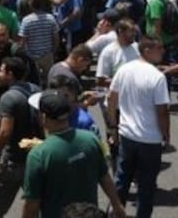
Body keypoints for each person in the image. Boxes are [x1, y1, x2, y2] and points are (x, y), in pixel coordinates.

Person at [20, 89, 127, 218]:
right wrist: (117, 205)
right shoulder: (91, 139)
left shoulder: (38, 155)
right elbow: (105, 177)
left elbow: (31, 205)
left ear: (43, 117)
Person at [106, 35, 171, 218]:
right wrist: (166, 134)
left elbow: (111, 98)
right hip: (150, 139)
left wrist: (113, 125)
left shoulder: (124, 70)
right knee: (146, 186)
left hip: (127, 135)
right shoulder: (157, 77)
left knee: (122, 180)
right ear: (147, 51)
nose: (163, 51)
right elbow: (162, 111)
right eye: (159, 48)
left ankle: (114, 215)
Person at [0, 56, 42, 218]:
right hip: (36, 156)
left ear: (10, 74)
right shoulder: (36, 89)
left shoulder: (9, 98)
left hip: (14, 159)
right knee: (36, 202)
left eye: (1, 70)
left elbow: (5, 132)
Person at [19, 0, 61, 86]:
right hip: (47, 54)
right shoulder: (51, 18)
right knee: (49, 80)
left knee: (34, 80)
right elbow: (56, 38)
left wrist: (25, 54)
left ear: (31, 5)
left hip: (32, 55)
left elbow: (23, 41)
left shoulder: (26, 20)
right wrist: (53, 51)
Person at [96, 19, 140, 87]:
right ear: (120, 31)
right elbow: (100, 80)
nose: (134, 34)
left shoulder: (139, 48)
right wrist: (122, 82)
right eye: (131, 31)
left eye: (135, 31)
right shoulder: (108, 52)